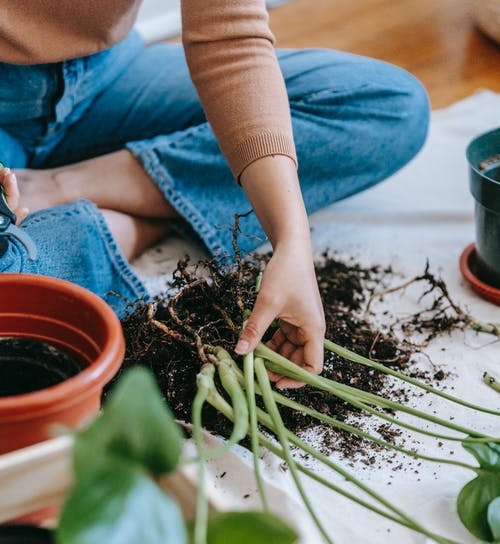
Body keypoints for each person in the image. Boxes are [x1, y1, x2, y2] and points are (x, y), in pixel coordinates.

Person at [0, 1, 429, 387]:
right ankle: (131, 224)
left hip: (105, 78)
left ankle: (62, 186)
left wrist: (292, 240)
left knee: (391, 105)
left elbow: (231, 39)